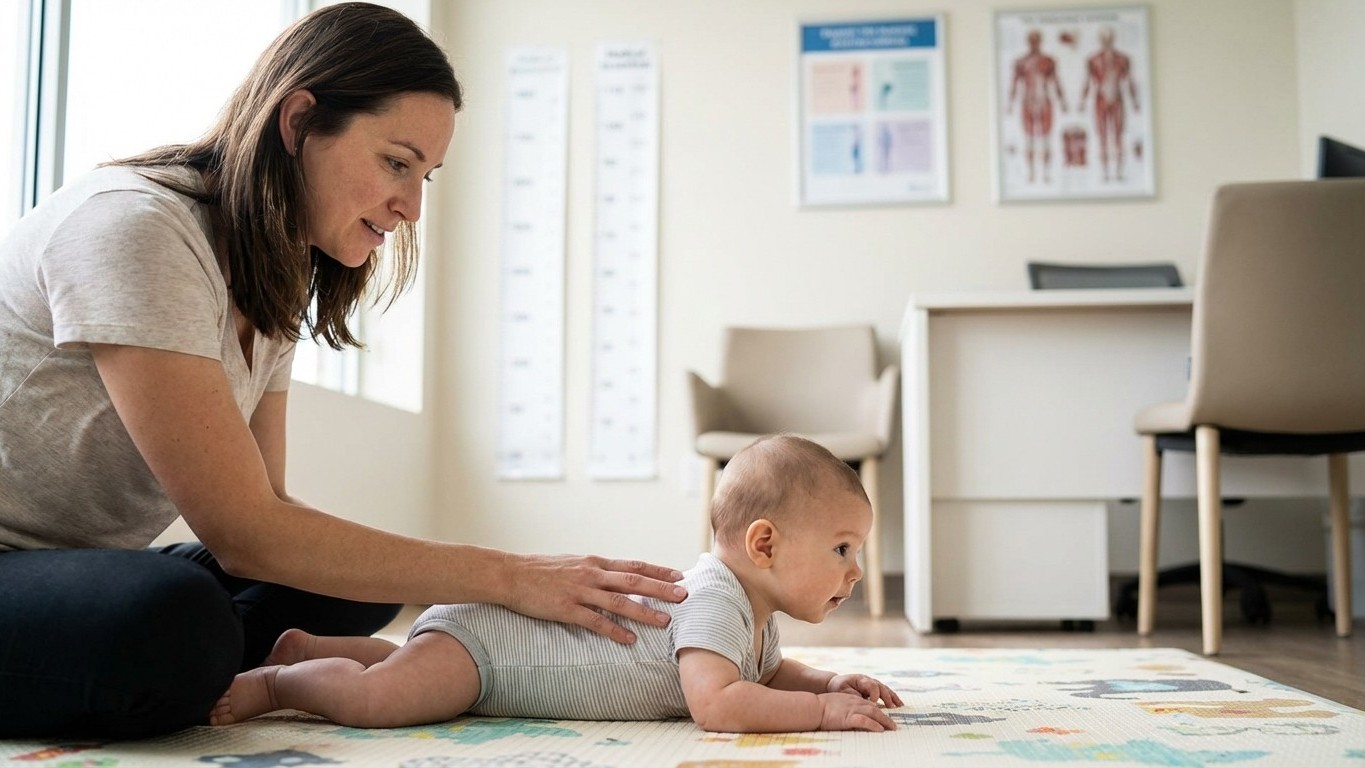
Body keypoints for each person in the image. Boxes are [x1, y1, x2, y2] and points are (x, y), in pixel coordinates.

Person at [0, 2, 685, 740]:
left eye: (426, 175)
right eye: (396, 162)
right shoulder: (135, 228)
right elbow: (243, 533)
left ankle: (195, 666)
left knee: (347, 591)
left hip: (72, 565)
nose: (413, 208)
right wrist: (515, 577)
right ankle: (187, 659)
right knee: (175, 620)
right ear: (298, 122)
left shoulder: (273, 274)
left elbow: (271, 509)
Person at [210, 435, 905, 733]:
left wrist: (822, 684)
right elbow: (719, 705)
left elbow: (766, 673)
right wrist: (819, 718)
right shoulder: (718, 597)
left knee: (412, 667)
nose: (852, 569)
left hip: (486, 652)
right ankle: (281, 684)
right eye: (842, 548)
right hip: (488, 655)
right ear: (763, 543)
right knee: (386, 700)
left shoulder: (751, 612)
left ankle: (306, 647)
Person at [1078, 26, 1140, 182]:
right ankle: (1105, 172)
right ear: (1100, 40)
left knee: (1118, 136)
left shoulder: (1123, 59)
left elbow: (1129, 80)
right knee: (1103, 136)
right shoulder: (1093, 60)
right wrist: (1082, 101)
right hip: (1100, 100)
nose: (1106, 41)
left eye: (1109, 38)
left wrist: (1135, 101)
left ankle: (1119, 171)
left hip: (1117, 99)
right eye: (1103, 38)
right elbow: (1088, 82)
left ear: (1113, 39)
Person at [1007, 28, 1068, 184]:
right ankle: (1031, 174)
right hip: (1027, 101)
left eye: (1036, 40)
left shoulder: (1048, 61)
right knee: (1029, 139)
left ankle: (1046, 173)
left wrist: (1062, 101)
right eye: (1031, 40)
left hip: (1044, 100)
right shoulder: (1021, 62)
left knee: (1046, 138)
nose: (1034, 43)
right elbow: (1014, 83)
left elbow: (1056, 81)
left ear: (1040, 41)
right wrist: (1010, 103)